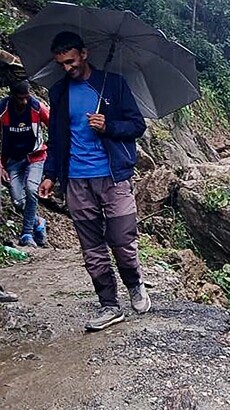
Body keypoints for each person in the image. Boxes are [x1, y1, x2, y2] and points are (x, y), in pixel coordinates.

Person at [38, 31, 151, 331]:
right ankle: (109, 305)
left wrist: (108, 125)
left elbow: (137, 126)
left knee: (122, 239)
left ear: (84, 54)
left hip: (113, 176)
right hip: (76, 179)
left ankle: (134, 283)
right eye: (61, 63)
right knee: (92, 248)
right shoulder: (59, 92)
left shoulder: (113, 84)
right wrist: (50, 175)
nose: (67, 68)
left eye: (71, 61)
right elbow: (57, 139)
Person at [0, 80, 49, 247]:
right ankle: (38, 222)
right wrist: (0, 166)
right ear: (12, 96)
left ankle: (27, 233)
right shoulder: (3, 109)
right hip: (13, 159)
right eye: (21, 98)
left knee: (31, 189)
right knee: (17, 200)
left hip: (36, 156)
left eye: (27, 97)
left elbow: (55, 127)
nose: (25, 101)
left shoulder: (37, 107)